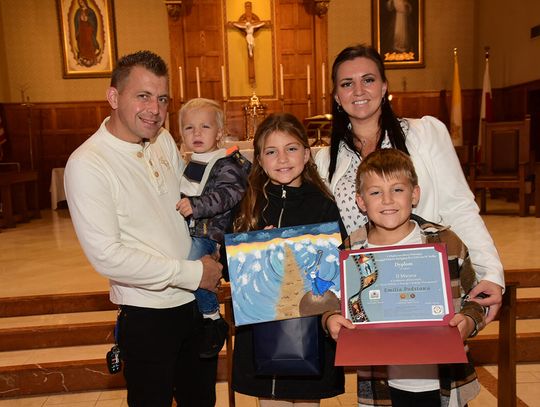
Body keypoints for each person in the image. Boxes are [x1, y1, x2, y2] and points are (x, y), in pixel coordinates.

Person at [64, 50, 223, 407]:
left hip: (194, 304)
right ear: (113, 96)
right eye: (143, 96)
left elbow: (186, 207)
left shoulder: (162, 138)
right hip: (148, 314)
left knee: (201, 401)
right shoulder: (88, 163)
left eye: (162, 98)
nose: (155, 109)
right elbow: (107, 256)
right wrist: (193, 273)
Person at [314, 44, 504, 324]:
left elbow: (459, 207)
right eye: (347, 83)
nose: (358, 90)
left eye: (368, 80)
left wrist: (490, 272)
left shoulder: (424, 134)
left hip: (426, 286)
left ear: (383, 87)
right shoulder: (326, 160)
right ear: (336, 96)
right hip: (368, 295)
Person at [325, 148, 486, 406]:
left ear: (415, 194)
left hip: (446, 383)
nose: (387, 200)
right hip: (382, 386)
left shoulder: (446, 242)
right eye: (375, 192)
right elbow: (331, 301)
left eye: (397, 189)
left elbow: (476, 299)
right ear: (361, 202)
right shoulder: (351, 250)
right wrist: (330, 319)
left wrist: (468, 321)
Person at [231, 113, 345, 406]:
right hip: (261, 330)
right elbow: (228, 262)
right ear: (259, 159)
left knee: (307, 399)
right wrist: (253, 247)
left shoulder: (323, 206)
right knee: (271, 400)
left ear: (306, 154)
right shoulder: (249, 203)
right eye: (271, 151)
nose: (282, 158)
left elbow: (336, 267)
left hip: (311, 329)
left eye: (291, 148)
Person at [177, 97, 251, 358]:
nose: (196, 133)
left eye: (205, 127)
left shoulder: (225, 163)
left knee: (195, 268)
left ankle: (212, 318)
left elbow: (230, 194)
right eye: (189, 128)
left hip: (210, 233)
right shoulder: (190, 162)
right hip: (191, 231)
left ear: (219, 133)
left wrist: (196, 205)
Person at [74, 0, 100, 67]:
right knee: (82, 43)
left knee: (89, 42)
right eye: (79, 3)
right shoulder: (78, 12)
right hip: (81, 30)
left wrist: (87, 19)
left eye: (82, 2)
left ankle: (91, 57)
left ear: (85, 2)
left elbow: (94, 21)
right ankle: (83, 56)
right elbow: (76, 21)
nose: (81, 4)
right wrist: (80, 19)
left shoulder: (90, 11)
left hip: (88, 29)